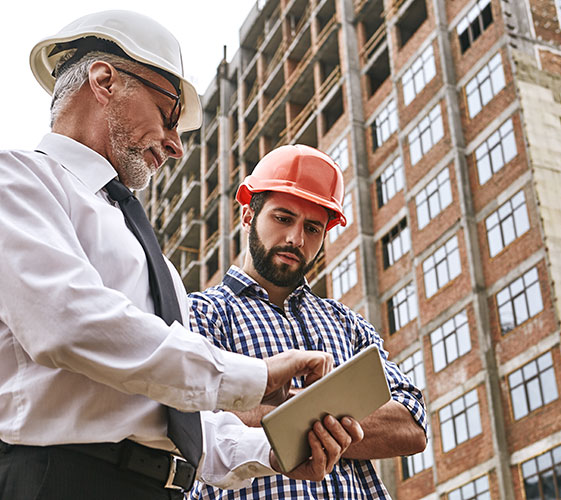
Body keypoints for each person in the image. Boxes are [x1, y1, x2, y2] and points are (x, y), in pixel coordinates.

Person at [0, 11, 363, 500]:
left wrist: (271, 452)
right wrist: (255, 376)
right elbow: (68, 323)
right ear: (105, 81)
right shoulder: (19, 182)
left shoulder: (158, 264)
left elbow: (180, 422)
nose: (174, 145)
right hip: (62, 479)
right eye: (168, 114)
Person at [189, 145, 428, 499]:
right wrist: (342, 417)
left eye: (313, 228)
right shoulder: (201, 313)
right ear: (247, 215)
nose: (296, 239)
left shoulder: (346, 323)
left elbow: (411, 425)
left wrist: (276, 412)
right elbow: (192, 419)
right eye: (283, 218)